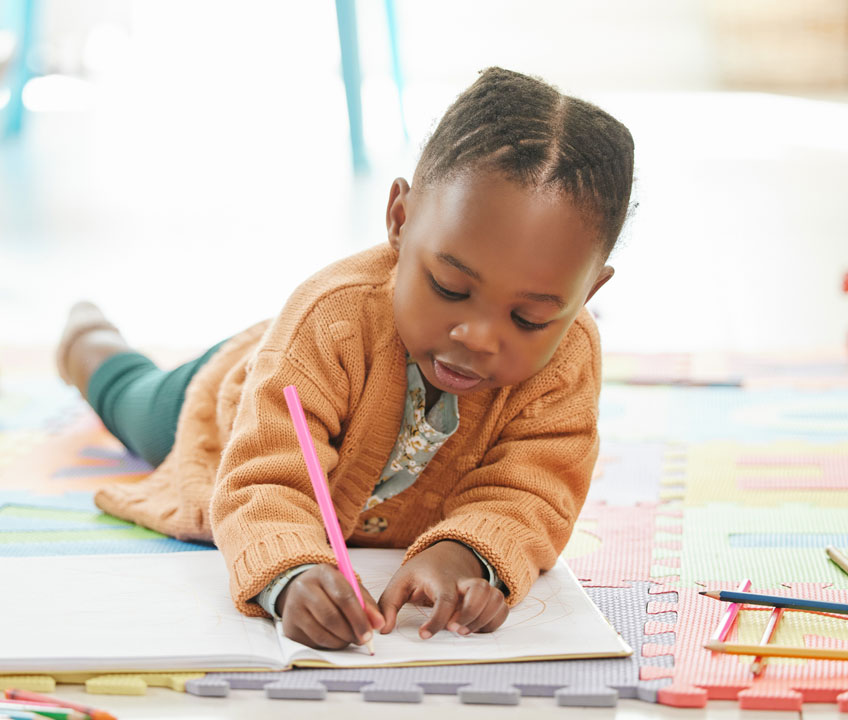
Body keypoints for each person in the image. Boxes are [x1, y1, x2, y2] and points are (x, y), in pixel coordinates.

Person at [55, 67, 635, 652]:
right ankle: (86, 339)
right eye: (451, 287)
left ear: (585, 295)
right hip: (228, 400)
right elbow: (265, 474)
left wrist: (464, 555)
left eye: (529, 319)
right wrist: (290, 575)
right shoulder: (331, 322)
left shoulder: (569, 358)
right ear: (400, 222)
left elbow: (534, 489)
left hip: (307, 368)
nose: (478, 337)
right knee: (130, 399)